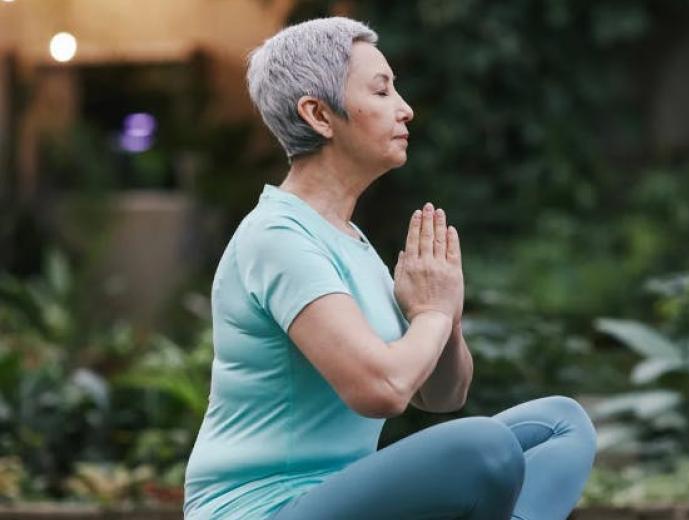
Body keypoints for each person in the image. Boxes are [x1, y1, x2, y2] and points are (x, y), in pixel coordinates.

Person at [183, 16, 597, 520]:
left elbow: (441, 395)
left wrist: (447, 314)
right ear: (318, 114)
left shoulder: (349, 239)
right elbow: (380, 390)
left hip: (339, 496)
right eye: (381, 92)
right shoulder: (278, 238)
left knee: (562, 423)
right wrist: (432, 316)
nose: (406, 109)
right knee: (483, 449)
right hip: (263, 509)